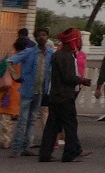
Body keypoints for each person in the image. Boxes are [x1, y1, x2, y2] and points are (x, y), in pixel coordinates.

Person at [39, 28, 93, 162]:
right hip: (65, 96)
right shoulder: (66, 56)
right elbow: (68, 77)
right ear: (73, 42)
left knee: (52, 126)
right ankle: (70, 154)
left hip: (55, 95)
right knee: (70, 125)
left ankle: (45, 154)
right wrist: (82, 80)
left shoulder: (57, 54)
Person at [7, 30, 52, 155]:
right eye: (39, 35)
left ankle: (26, 147)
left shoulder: (50, 53)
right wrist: (15, 76)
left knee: (32, 120)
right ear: (36, 38)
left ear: (48, 37)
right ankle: (16, 148)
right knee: (23, 120)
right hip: (27, 90)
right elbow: (10, 62)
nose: (42, 37)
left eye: (44, 35)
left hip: (40, 91)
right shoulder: (29, 52)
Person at [0, 37, 27, 148]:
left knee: (6, 118)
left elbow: (5, 78)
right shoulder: (29, 60)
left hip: (11, 91)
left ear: (14, 47)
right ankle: (26, 140)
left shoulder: (10, 60)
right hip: (24, 91)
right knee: (25, 118)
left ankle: (6, 140)